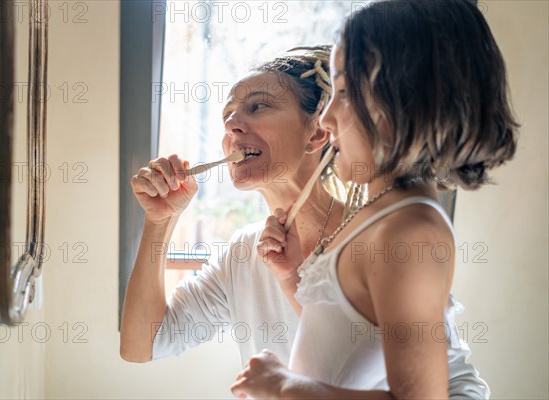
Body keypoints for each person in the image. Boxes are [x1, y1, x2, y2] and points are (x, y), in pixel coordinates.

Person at [120, 46, 490, 398]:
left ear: (317, 132)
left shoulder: (378, 238)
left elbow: (450, 390)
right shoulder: (245, 253)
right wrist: (160, 221)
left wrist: (284, 389)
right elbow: (142, 345)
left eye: (257, 106)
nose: (231, 122)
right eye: (227, 114)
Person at [230, 1, 518, 399]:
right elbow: (354, 341)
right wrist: (290, 277)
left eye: (344, 92)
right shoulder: (378, 213)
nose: (326, 119)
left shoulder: (408, 231)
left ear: (404, 101)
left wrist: (284, 386)